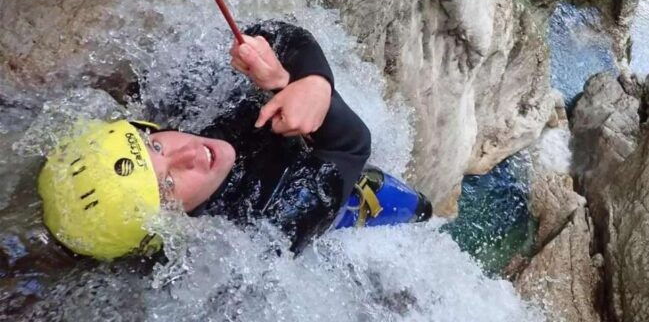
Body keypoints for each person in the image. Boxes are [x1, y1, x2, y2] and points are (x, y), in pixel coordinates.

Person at [37, 20, 431, 261]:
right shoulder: (266, 226)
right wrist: (315, 94)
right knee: (413, 208)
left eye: (155, 148)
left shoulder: (182, 102)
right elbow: (351, 147)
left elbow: (275, 33)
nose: (190, 153)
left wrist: (297, 78)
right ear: (172, 225)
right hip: (323, 197)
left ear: (147, 129)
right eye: (168, 185)